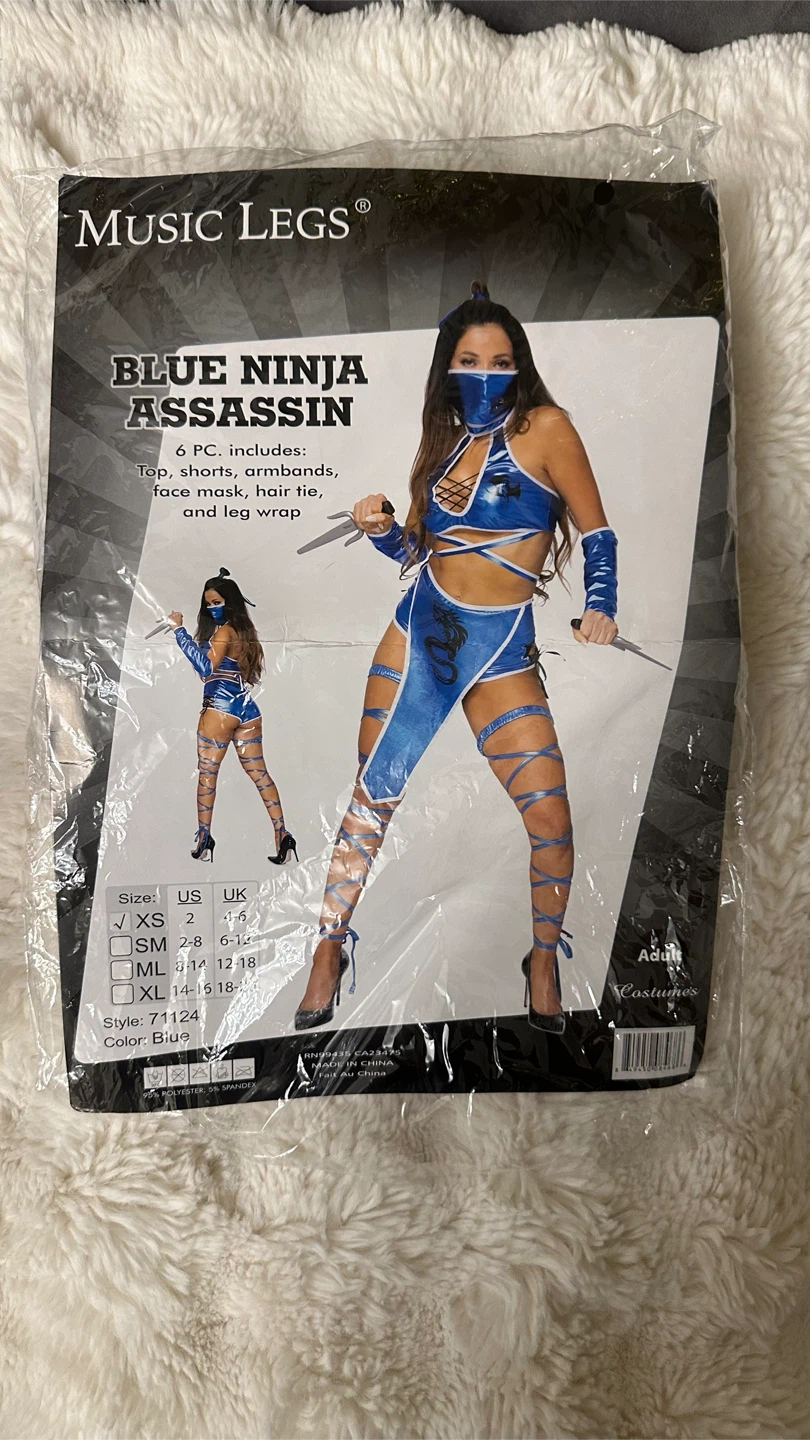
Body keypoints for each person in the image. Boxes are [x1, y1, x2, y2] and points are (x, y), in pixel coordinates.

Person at [294, 283, 618, 1033]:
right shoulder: (442, 447)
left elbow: (596, 532)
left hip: (501, 647)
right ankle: (327, 948)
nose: (485, 375)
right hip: (421, 631)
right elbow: (418, 553)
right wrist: (380, 530)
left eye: (500, 362)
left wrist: (602, 605)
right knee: (373, 795)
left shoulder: (547, 428)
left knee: (551, 817)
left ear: (520, 365)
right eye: (470, 361)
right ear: (448, 367)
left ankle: (543, 959)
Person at [168, 567, 297, 865]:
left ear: (230, 602)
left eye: (216, 602)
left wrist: (178, 631)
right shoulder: (244, 633)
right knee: (260, 774)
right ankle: (282, 833)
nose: (212, 608)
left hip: (219, 711)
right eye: (208, 604)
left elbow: (206, 669)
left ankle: (204, 837)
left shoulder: (225, 632)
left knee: (208, 776)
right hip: (247, 711)